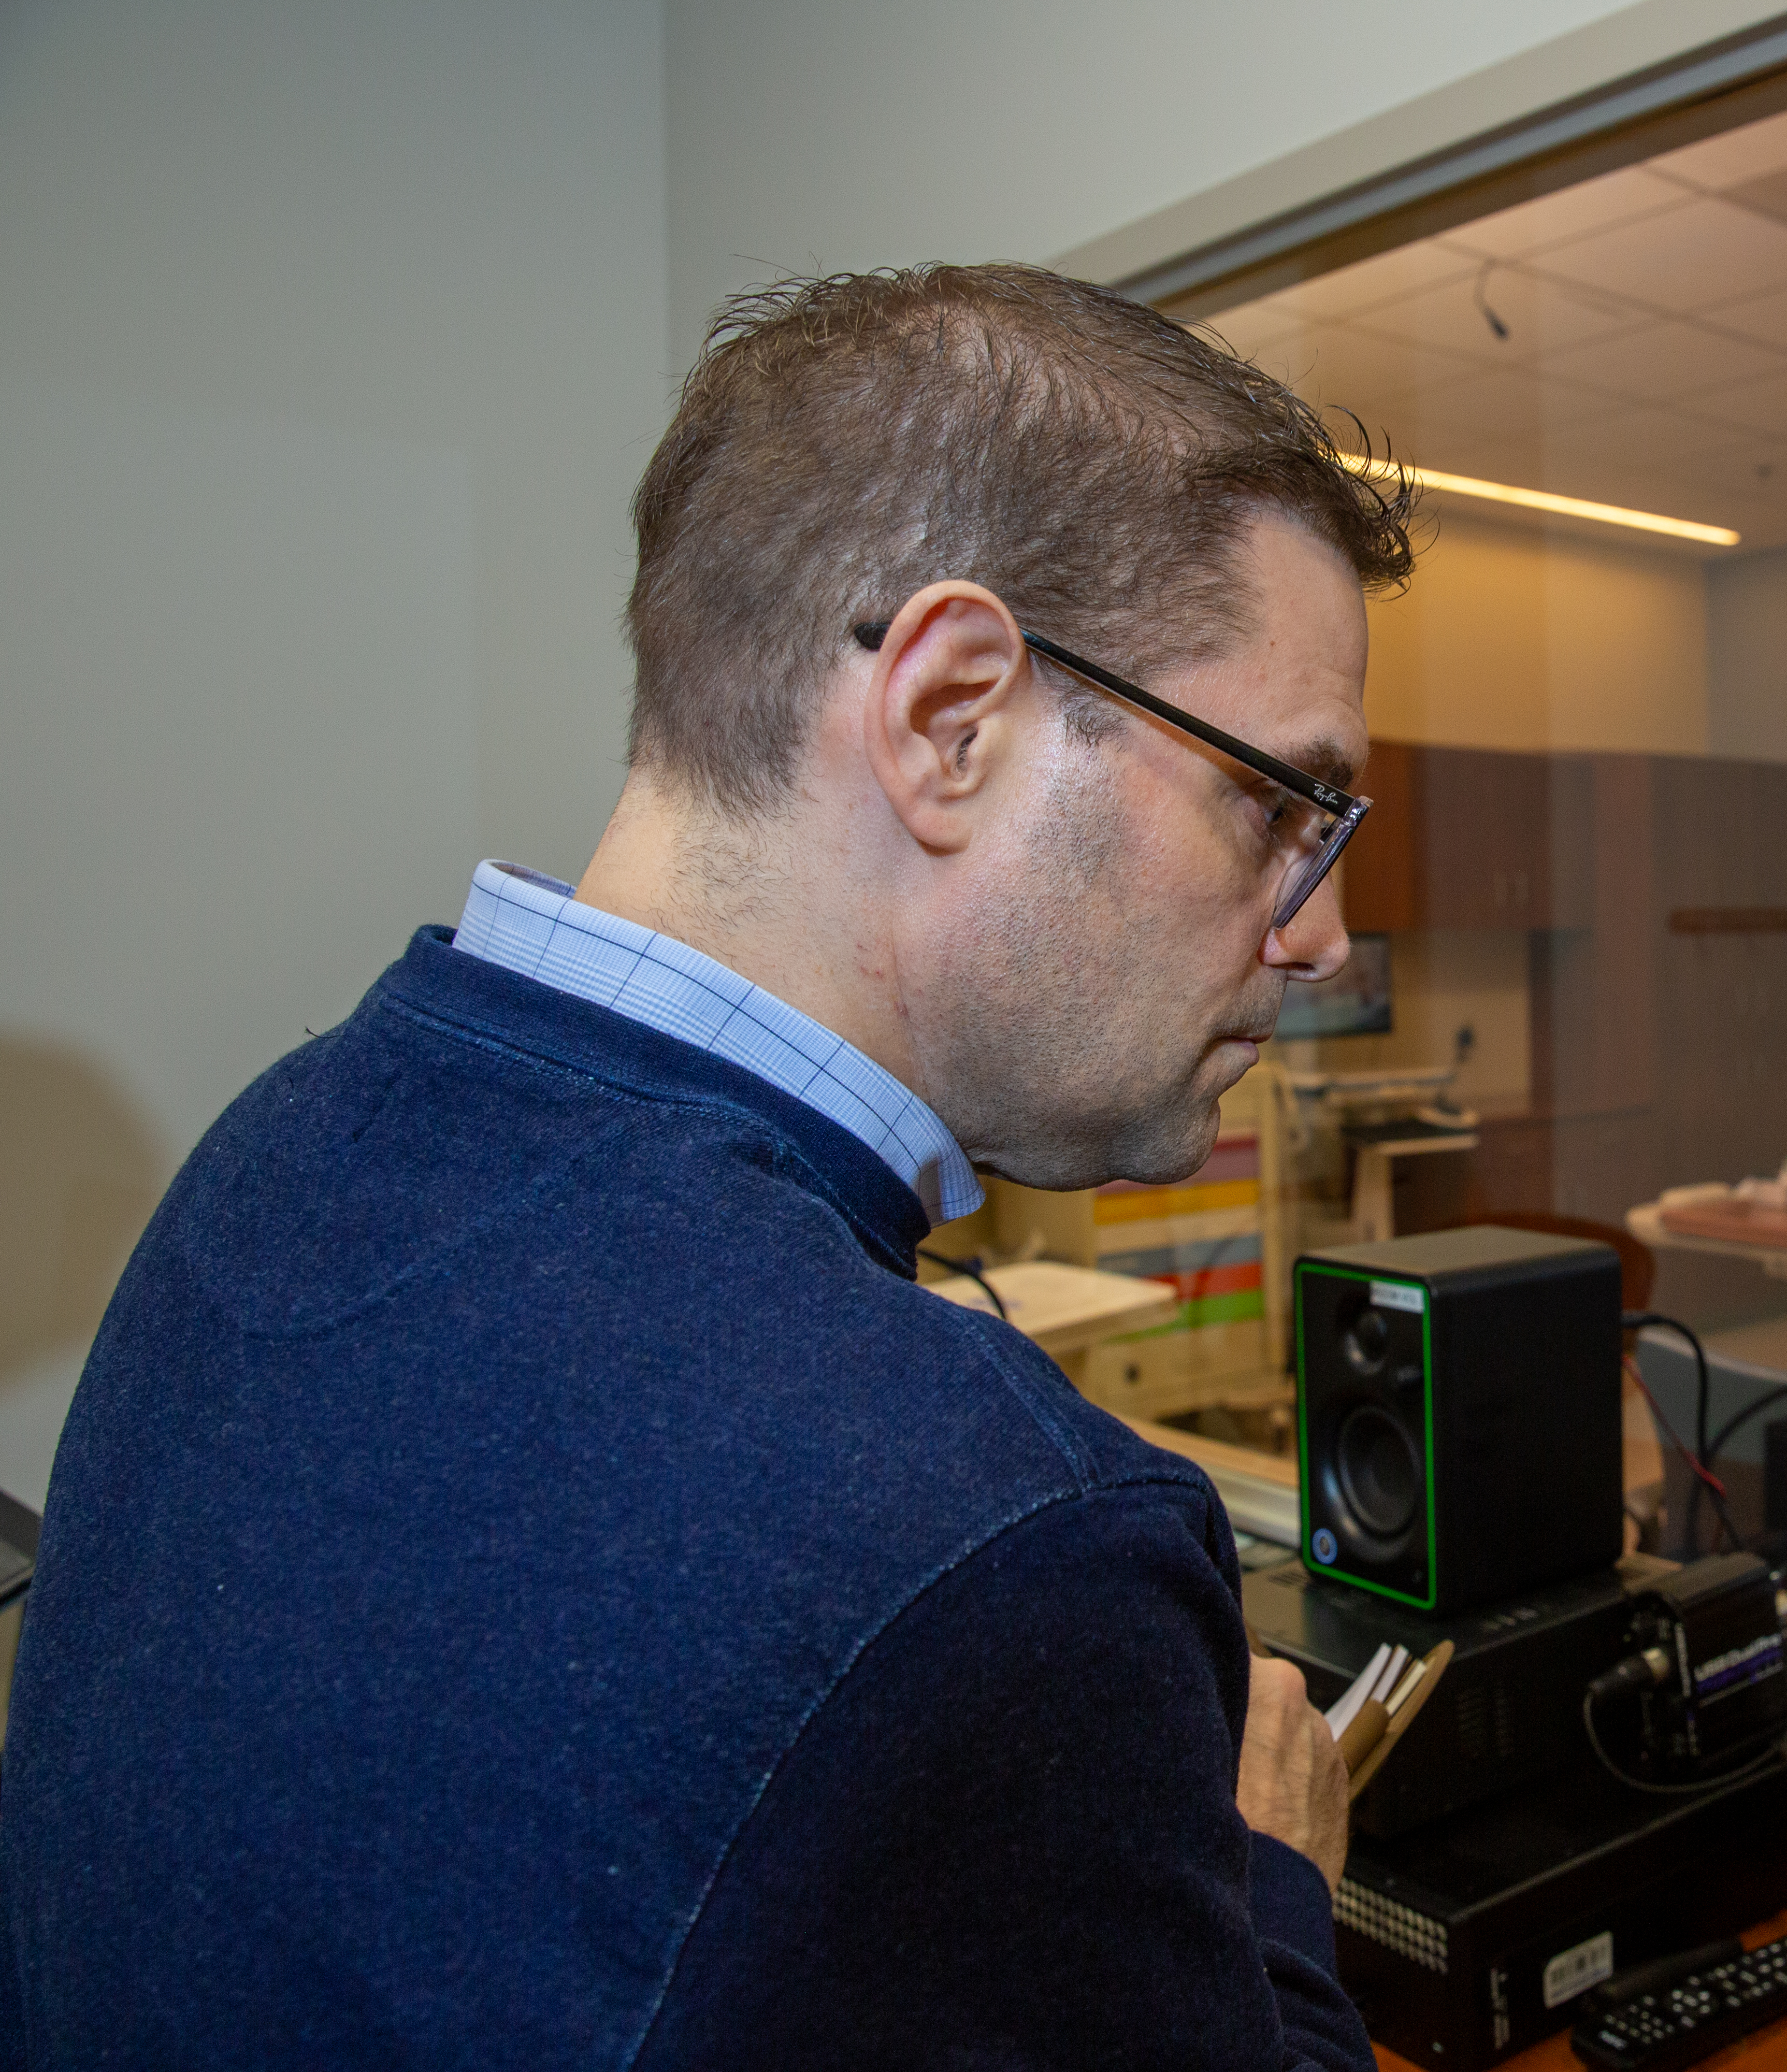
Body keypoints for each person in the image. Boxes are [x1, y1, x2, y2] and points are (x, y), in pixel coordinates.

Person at [0, 266, 1415, 2066]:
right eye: (1280, 805)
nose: (1321, 932)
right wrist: (1271, 1889)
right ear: (952, 715)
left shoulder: (265, 1167)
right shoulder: (1015, 1542)